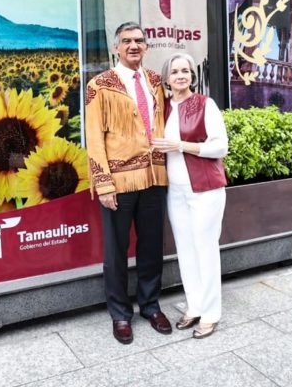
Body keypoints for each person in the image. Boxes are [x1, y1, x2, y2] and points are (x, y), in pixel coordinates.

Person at [85, 21, 170, 345]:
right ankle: (120, 313)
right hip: (118, 183)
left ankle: (150, 305)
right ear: (116, 48)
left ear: (146, 47)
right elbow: (94, 138)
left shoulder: (153, 81)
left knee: (151, 247)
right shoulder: (100, 85)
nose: (133, 45)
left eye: (139, 40)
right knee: (116, 251)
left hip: (153, 178)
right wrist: (103, 183)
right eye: (127, 41)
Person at [151, 53, 228, 340]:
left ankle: (210, 313)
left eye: (186, 71)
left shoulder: (205, 105)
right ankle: (194, 305)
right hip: (176, 190)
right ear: (167, 79)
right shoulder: (164, 108)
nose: (181, 76)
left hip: (205, 189)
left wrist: (181, 145)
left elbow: (220, 147)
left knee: (205, 248)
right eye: (175, 72)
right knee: (185, 249)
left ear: (192, 77)